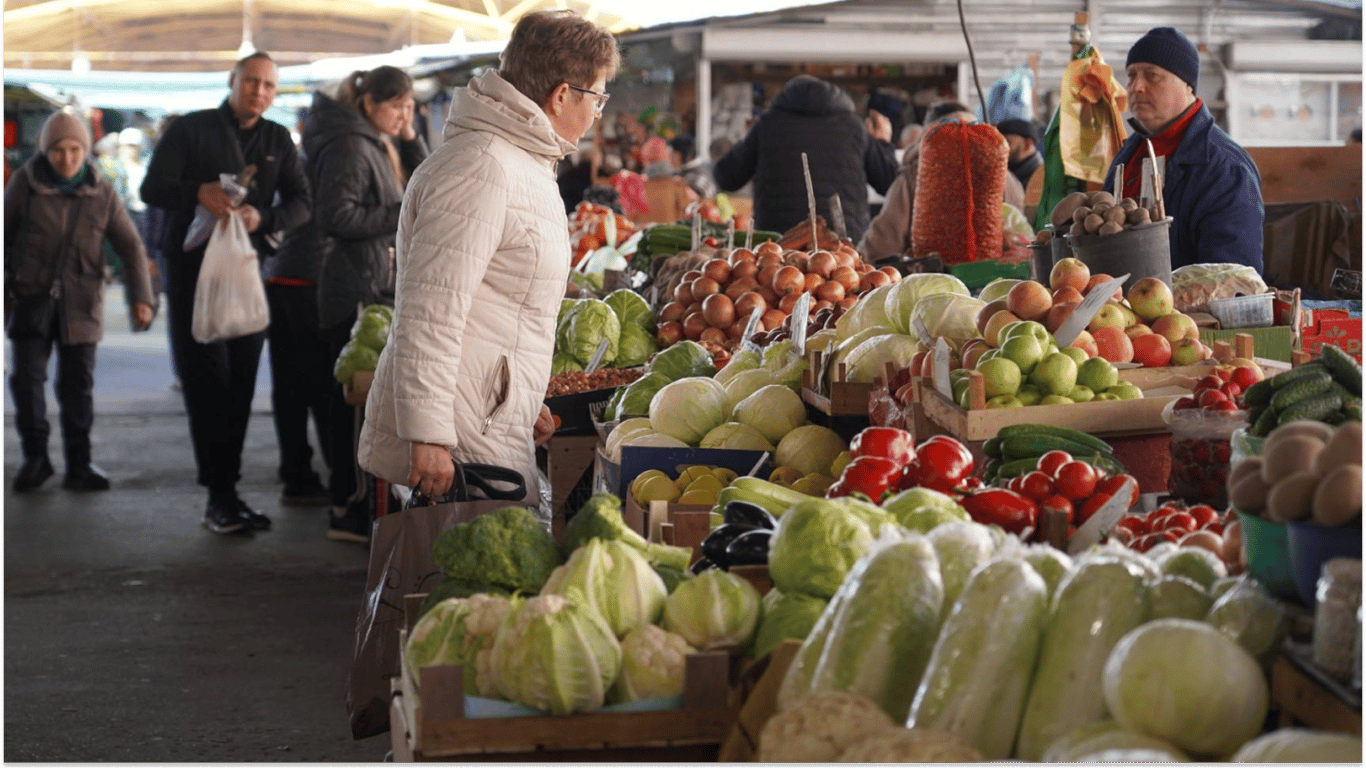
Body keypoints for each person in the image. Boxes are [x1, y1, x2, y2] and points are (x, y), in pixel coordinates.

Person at [358, 10, 619, 505]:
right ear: (562, 95)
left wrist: (523, 398)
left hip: (484, 412)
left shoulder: (519, 162)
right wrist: (428, 435)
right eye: (598, 98)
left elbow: (501, 308)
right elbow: (431, 311)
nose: (597, 114)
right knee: (462, 552)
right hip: (459, 432)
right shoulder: (480, 167)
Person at [140, 52, 312, 535]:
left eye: (269, 86)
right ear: (232, 81)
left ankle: (229, 493)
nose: (259, 92)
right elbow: (152, 188)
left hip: (245, 272)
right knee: (206, 386)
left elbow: (303, 202)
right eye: (251, 81)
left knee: (240, 386)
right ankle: (218, 496)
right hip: (193, 275)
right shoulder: (190, 129)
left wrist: (265, 217)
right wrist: (198, 192)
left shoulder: (277, 138)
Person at [273, 65, 428, 542]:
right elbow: (335, 215)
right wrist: (401, 213)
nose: (404, 114)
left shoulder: (375, 141)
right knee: (353, 407)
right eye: (397, 105)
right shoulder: (350, 145)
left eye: (410, 105)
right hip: (354, 288)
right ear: (369, 103)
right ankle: (350, 506)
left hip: (371, 281)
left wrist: (410, 137)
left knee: (359, 405)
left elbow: (423, 182)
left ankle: (355, 504)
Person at [2, 110, 155, 492]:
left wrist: (142, 298)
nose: (67, 158)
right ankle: (35, 458)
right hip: (30, 300)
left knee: (77, 386)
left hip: (81, 304)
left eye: (74, 149)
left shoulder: (102, 191)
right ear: (45, 151)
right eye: (58, 150)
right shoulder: (25, 183)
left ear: (85, 150)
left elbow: (131, 247)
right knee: (27, 383)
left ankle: (79, 464)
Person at [1103, 27, 1263, 271]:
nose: (1136, 87)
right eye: (1132, 75)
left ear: (1188, 85)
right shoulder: (1130, 153)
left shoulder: (1226, 169)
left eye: (1152, 75)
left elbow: (1232, 277)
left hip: (1186, 298)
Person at [712, 74, 898, 244]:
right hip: (843, 242)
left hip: (779, 243)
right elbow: (890, 183)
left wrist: (747, 138)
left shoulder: (767, 125)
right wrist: (883, 144)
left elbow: (726, 177)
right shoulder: (854, 127)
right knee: (842, 271)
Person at [859, 101, 1026, 259]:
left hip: (934, 277)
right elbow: (1023, 233)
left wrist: (859, 259)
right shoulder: (1007, 176)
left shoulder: (913, 176)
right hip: (1002, 275)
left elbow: (881, 246)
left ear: (926, 135)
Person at [637, 136, 696, 224]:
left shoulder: (637, 186)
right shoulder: (677, 185)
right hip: (671, 231)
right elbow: (693, 207)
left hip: (645, 231)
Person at [996, 118, 1044, 189]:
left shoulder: (1040, 181)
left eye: (1008, 143)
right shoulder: (1012, 168)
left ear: (1027, 144)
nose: (1000, 149)